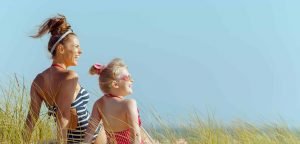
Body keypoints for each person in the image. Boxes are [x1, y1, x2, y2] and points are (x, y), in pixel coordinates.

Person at [22, 14, 105, 143]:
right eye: (76, 47)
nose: (80, 51)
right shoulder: (70, 76)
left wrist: (20, 141)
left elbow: (31, 119)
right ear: (61, 49)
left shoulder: (38, 80)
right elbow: (63, 116)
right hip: (91, 137)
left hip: (70, 138)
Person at [84, 58, 152, 144]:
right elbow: (136, 135)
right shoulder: (129, 104)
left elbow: (90, 131)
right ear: (115, 84)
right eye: (128, 77)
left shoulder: (99, 104)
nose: (132, 80)